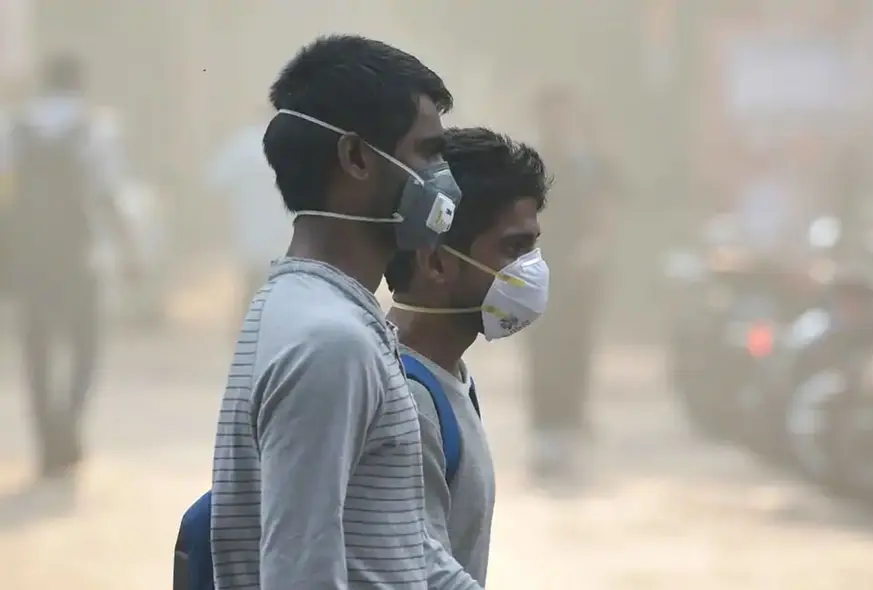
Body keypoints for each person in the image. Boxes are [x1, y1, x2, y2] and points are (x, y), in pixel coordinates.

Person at [209, 35, 483, 590]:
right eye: (427, 153)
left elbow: (400, 546)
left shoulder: (322, 314)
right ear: (357, 157)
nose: (442, 180)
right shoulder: (331, 342)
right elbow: (300, 570)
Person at [385, 127, 551, 585]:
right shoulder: (406, 402)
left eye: (532, 247)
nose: (531, 271)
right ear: (436, 262)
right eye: (515, 248)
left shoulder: (447, 378)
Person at [5, 54, 133, 478]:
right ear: (81, 83)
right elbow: (109, 193)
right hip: (81, 255)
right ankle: (69, 424)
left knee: (37, 349)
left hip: (30, 257)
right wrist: (129, 247)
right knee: (85, 345)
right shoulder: (96, 127)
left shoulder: (15, 126)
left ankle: (47, 440)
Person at [525, 87, 614, 485]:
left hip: (578, 273)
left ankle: (572, 425)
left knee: (577, 346)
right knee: (543, 348)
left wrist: (594, 248)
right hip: (538, 268)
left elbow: (602, 211)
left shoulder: (584, 165)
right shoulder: (526, 163)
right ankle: (545, 431)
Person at [206, 112, 291, 322]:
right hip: (286, 239)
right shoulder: (292, 145)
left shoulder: (240, 145)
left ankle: (247, 343)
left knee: (253, 294)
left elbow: (214, 182)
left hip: (251, 238)